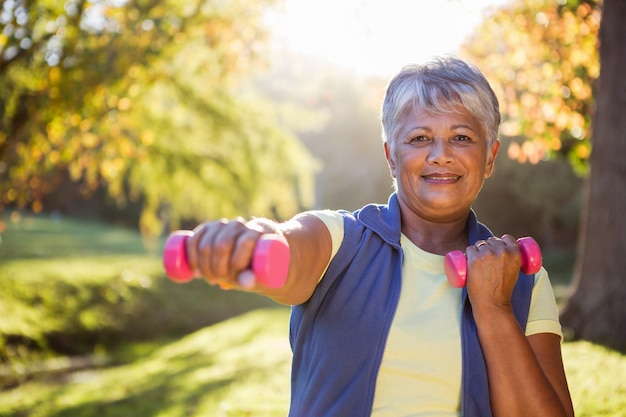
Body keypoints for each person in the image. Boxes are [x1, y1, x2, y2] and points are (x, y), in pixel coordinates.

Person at [183, 56, 575, 417]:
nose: (440, 154)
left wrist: (494, 308)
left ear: (489, 157)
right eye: (419, 138)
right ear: (391, 156)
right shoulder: (341, 240)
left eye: (462, 138)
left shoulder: (522, 276)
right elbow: (288, 249)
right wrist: (250, 241)